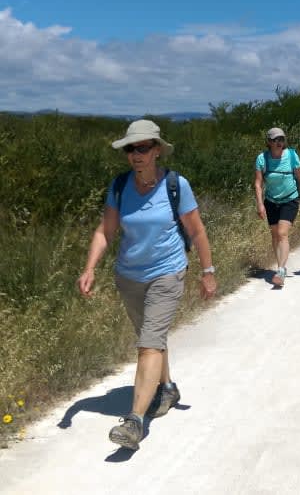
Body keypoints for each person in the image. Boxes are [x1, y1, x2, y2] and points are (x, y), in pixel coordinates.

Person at [77, 119, 217, 451]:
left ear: (156, 150)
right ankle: (166, 386)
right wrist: (90, 267)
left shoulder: (175, 185)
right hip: (129, 276)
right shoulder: (120, 186)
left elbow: (196, 231)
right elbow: (105, 232)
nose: (136, 155)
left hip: (167, 272)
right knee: (149, 338)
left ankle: (135, 421)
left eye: (142, 148)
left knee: (149, 343)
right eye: (131, 149)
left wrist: (207, 270)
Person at [254, 127, 300, 287]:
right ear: (269, 142)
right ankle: (281, 265)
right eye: (275, 140)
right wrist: (259, 204)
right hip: (271, 201)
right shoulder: (262, 158)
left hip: (290, 199)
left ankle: (280, 269)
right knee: (274, 235)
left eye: (281, 140)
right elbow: (258, 184)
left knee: (282, 233)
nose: (279, 143)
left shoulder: (292, 156)